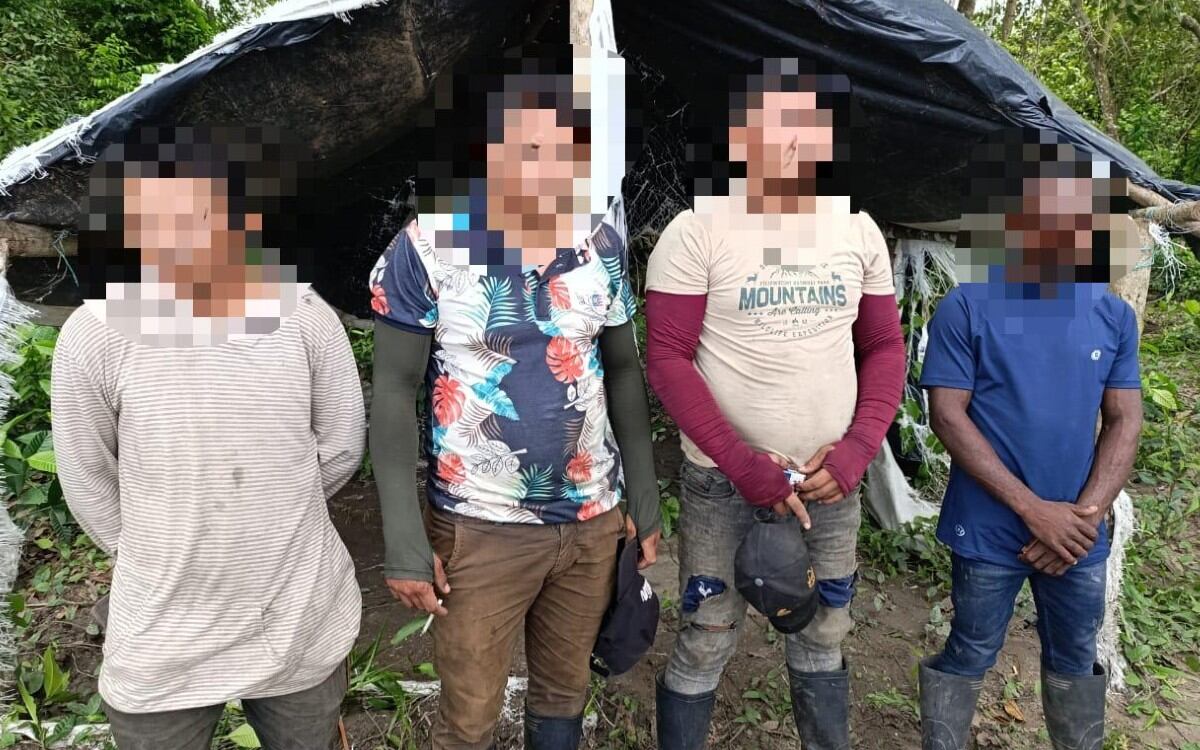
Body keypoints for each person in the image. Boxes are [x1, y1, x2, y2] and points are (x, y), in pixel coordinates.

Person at [367, 45, 660, 750]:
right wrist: (406, 541)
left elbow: (622, 372)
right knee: (469, 714)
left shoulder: (601, 246)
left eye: (563, 148)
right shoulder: (428, 246)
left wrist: (642, 502)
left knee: (563, 696)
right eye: (527, 145)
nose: (545, 164)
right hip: (480, 527)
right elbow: (394, 390)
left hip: (590, 522)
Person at [52, 125, 366, 749]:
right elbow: (86, 476)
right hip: (162, 634)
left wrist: (270, 515)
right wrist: (156, 544)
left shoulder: (303, 315)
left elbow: (340, 446)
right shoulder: (96, 333)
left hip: (297, 617)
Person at [645, 58, 906, 750]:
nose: (790, 144)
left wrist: (856, 452)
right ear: (741, 136)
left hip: (829, 485)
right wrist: (739, 462)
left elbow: (884, 348)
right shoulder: (696, 231)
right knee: (706, 634)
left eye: (806, 126)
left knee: (824, 633)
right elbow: (666, 358)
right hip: (721, 484)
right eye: (772, 125)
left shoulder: (856, 230)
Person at [917, 129, 1144, 750]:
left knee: (1074, 656)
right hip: (991, 527)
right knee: (970, 648)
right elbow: (947, 414)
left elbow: (1125, 419)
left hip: (1078, 534)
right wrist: (1032, 510)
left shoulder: (1112, 315)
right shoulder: (967, 306)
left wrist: (1086, 515)